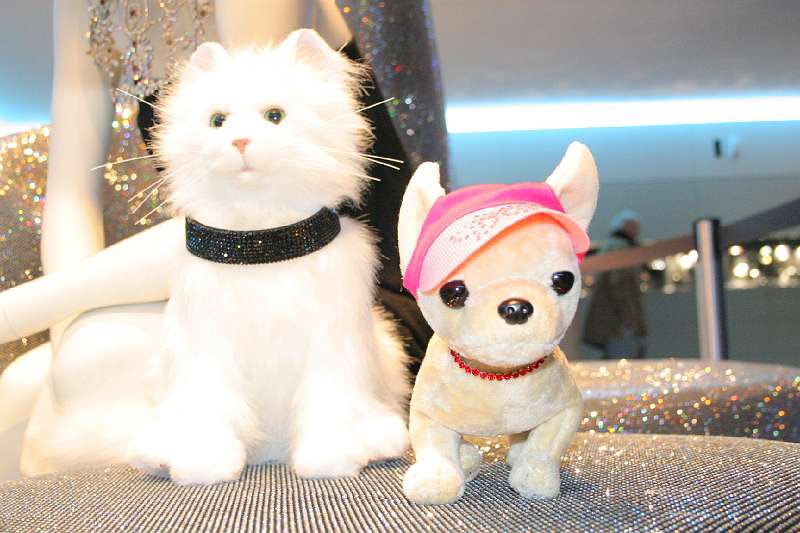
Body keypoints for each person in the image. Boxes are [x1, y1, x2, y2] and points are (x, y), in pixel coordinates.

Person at [0, 0, 447, 476]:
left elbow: (249, 225)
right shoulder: (86, 9)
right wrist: (63, 337)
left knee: (80, 368)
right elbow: (70, 199)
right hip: (218, 269)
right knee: (28, 383)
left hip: (354, 282)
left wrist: (22, 314)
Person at [583, 210, 647, 359]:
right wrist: (630, 319)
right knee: (624, 362)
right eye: (636, 226)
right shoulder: (623, 250)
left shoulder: (609, 247)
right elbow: (622, 287)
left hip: (610, 322)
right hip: (619, 325)